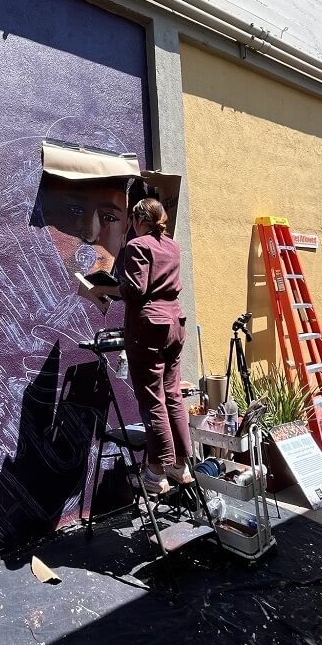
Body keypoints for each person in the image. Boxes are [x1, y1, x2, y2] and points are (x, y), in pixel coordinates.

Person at [90, 197, 191, 495]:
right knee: (172, 395)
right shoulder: (172, 246)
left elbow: (136, 289)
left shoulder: (138, 245)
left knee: (152, 399)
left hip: (149, 328)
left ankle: (155, 472)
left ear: (138, 218)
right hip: (175, 323)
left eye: (132, 219)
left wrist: (101, 287)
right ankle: (181, 464)